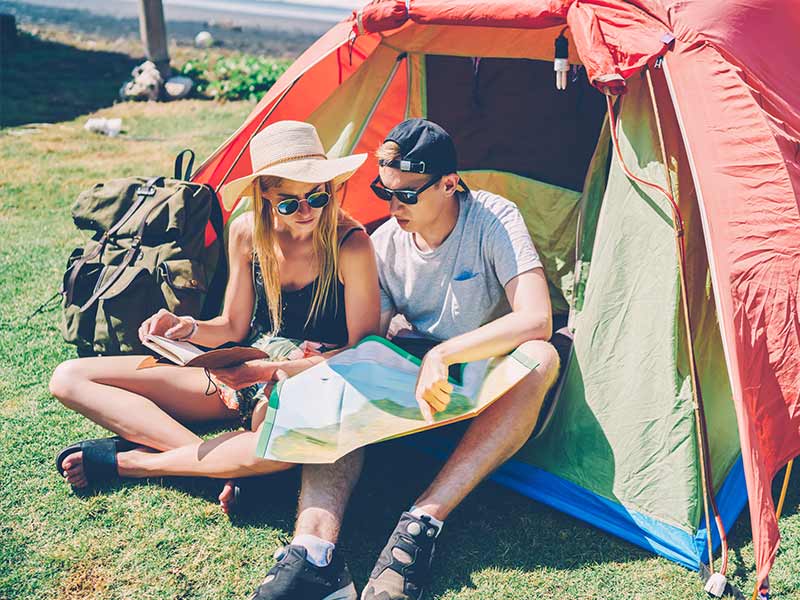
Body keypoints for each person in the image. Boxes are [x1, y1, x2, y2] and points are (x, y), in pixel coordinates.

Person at [247, 119, 561, 600]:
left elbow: (537, 317)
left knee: (541, 357)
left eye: (408, 195)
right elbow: (372, 339)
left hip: (486, 375)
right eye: (384, 191)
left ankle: (420, 525)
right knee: (350, 369)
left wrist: (445, 352)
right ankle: (314, 554)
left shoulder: (493, 219)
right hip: (412, 382)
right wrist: (304, 369)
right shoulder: (385, 244)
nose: (393, 207)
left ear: (449, 184)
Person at [49, 121, 380, 523]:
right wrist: (185, 327)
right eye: (289, 202)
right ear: (264, 196)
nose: (307, 211)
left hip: (304, 377)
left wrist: (274, 370)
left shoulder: (351, 243)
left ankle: (143, 463)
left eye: (317, 196)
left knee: (273, 444)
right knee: (69, 378)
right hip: (240, 369)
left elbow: (365, 351)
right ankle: (221, 474)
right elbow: (231, 327)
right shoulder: (245, 233)